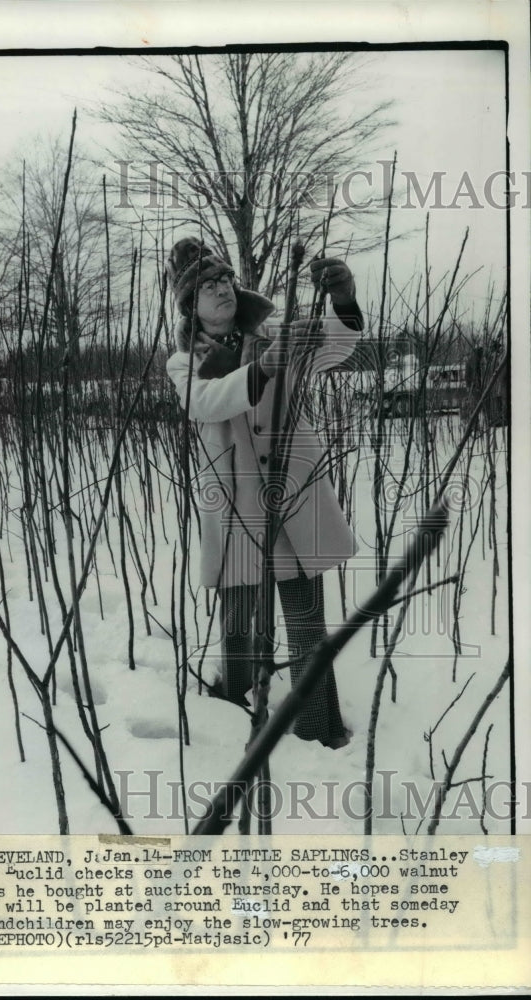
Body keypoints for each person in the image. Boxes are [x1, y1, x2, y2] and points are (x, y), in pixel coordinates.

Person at [165, 236, 363, 750]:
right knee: (238, 632)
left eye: (225, 278)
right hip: (235, 511)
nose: (221, 289)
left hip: (293, 497)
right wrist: (265, 367)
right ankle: (231, 724)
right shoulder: (183, 362)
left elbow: (333, 351)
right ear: (190, 304)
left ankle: (317, 733)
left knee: (305, 625)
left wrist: (342, 300)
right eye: (207, 285)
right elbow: (206, 403)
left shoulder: (272, 331)